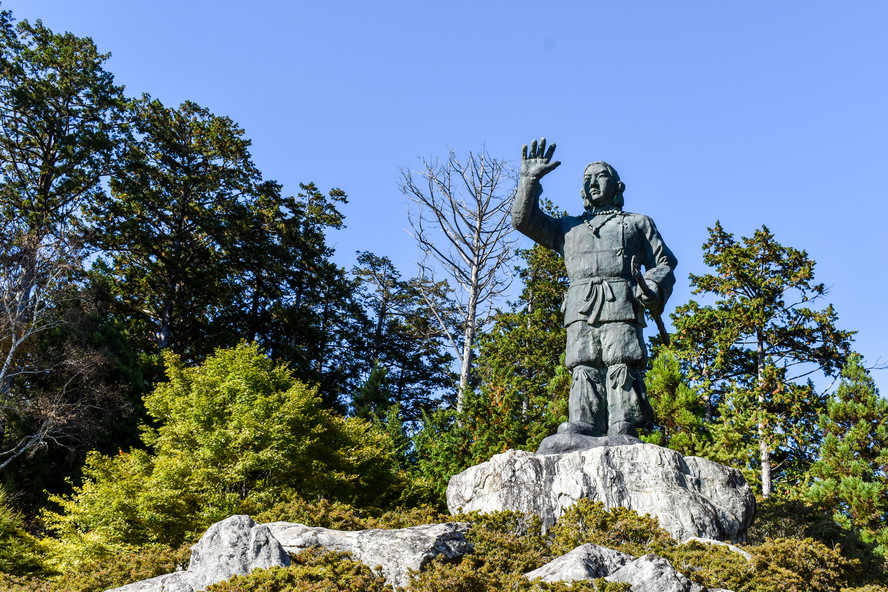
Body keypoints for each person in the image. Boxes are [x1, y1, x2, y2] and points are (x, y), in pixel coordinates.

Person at [511, 138, 677, 438]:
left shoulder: (637, 223)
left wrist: (652, 286)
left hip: (622, 302)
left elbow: (664, 263)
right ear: (582, 191)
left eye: (600, 177)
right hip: (581, 305)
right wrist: (529, 183)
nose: (593, 183)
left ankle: (622, 423)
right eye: (587, 179)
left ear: (617, 186)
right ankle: (584, 421)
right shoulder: (569, 228)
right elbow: (524, 221)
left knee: (621, 359)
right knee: (583, 362)